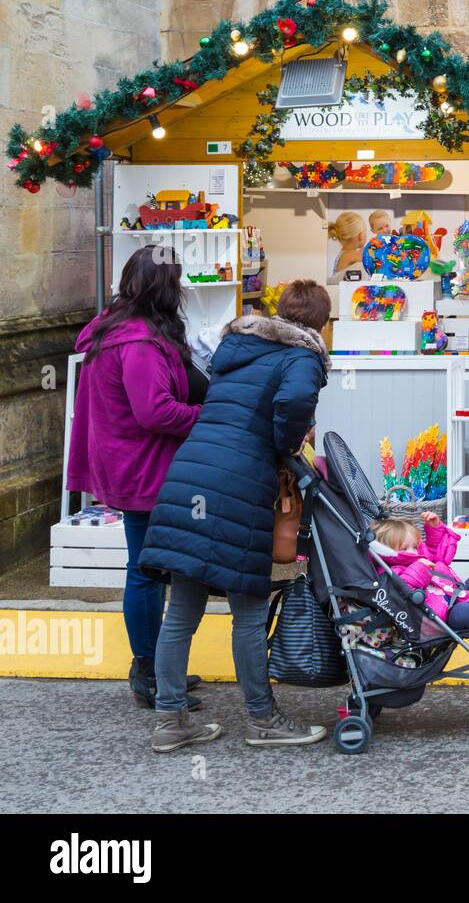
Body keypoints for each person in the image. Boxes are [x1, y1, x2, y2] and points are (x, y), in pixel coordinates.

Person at [140, 280, 334, 753]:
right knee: (247, 610)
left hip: (190, 475)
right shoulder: (302, 356)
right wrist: (287, 447)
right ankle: (262, 719)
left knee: (181, 611)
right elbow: (290, 404)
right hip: (237, 487)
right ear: (319, 324)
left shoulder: (239, 344)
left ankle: (170, 720)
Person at [65, 245, 203, 709]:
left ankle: (158, 666)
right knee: (146, 570)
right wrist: (206, 415)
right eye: (177, 280)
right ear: (165, 286)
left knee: (148, 566)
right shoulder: (140, 341)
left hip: (127, 462)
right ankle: (150, 673)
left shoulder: (115, 326)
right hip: (142, 466)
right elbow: (154, 411)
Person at [327, 211, 366, 284]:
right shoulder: (350, 254)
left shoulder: (344, 254)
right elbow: (370, 258)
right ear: (361, 235)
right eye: (365, 231)